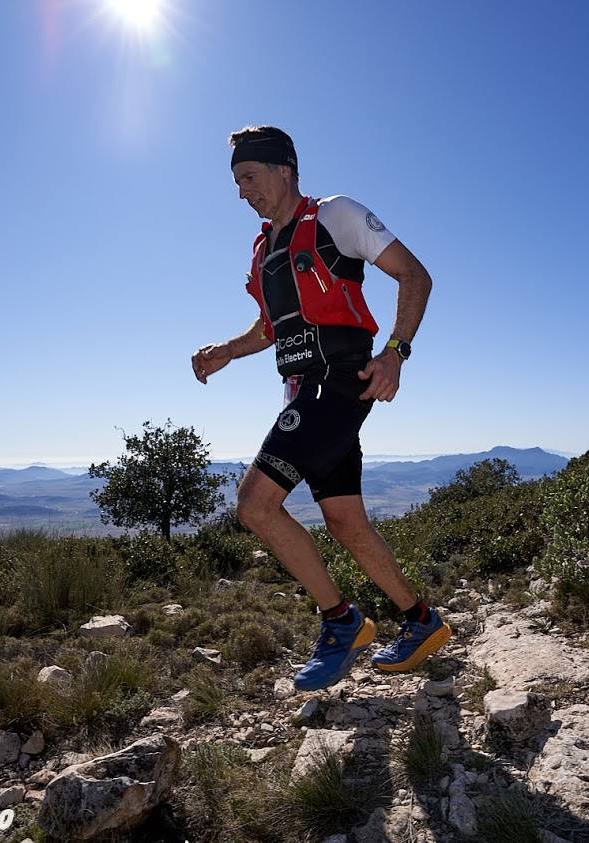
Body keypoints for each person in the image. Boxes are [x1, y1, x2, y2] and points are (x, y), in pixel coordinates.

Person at [190, 125, 451, 691]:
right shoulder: (265, 250)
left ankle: (341, 622)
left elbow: (415, 275)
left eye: (249, 177)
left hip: (337, 381)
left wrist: (396, 354)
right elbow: (269, 328)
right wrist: (226, 352)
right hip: (303, 389)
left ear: (284, 170)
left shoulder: (334, 216)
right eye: (236, 182)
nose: (242, 192)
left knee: (255, 504)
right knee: (345, 521)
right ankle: (421, 621)